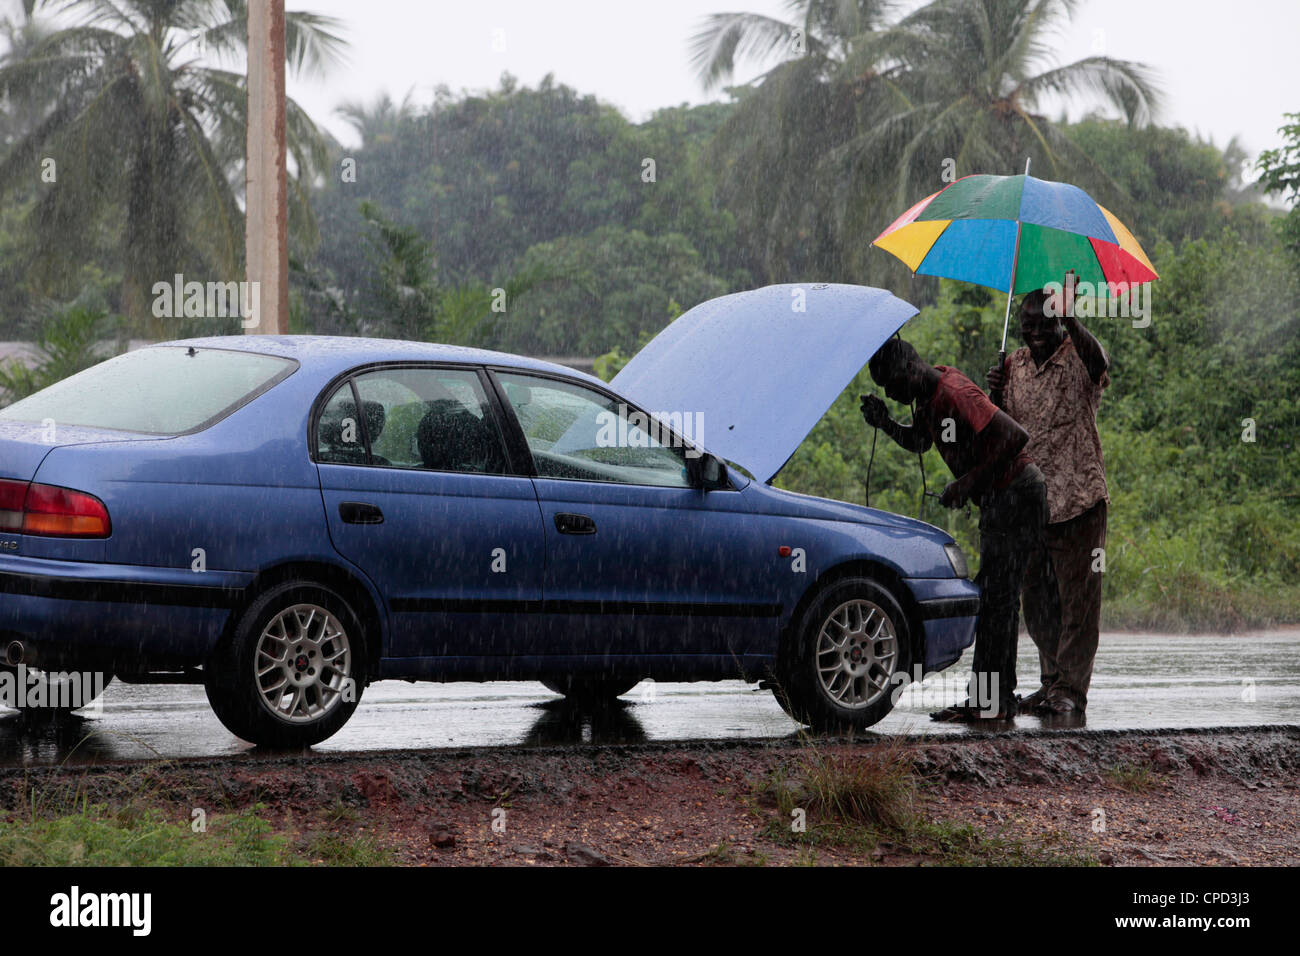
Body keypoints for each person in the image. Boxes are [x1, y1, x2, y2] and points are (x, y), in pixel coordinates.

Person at [862, 338, 1051, 721]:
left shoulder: (953, 390)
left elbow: (1014, 436)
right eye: (886, 391)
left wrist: (967, 484)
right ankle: (991, 700)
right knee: (996, 599)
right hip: (1001, 498)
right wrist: (885, 422)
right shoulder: (928, 399)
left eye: (893, 385)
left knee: (998, 600)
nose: (894, 395)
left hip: (1019, 493)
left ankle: (991, 703)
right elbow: (919, 441)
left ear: (912, 367)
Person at [987, 276, 1110, 716]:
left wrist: (1074, 319)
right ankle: (1051, 682)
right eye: (1027, 323)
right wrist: (992, 393)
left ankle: (1072, 691)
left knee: (1079, 604)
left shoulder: (1079, 355)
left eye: (1045, 323)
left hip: (1078, 499)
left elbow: (1101, 363)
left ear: (1060, 323)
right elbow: (999, 427)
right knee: (1036, 601)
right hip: (1032, 502)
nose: (1035, 331)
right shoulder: (1013, 365)